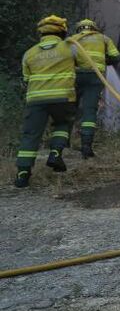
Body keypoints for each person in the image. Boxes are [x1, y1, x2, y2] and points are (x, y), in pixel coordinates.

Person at [14, 15, 79, 188]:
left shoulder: (29, 53)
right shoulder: (70, 48)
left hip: (36, 99)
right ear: (63, 31)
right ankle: (55, 153)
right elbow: (83, 65)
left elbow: (27, 78)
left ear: (41, 33)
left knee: (30, 135)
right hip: (63, 98)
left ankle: (22, 175)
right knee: (63, 124)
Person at [72, 18, 120, 158]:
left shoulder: (72, 40)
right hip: (95, 77)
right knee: (89, 111)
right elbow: (116, 58)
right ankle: (86, 146)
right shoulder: (104, 38)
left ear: (79, 28)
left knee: (69, 109)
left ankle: (62, 144)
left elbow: (65, 59)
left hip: (75, 77)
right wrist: (103, 61)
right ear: (94, 28)